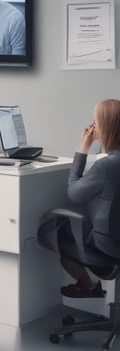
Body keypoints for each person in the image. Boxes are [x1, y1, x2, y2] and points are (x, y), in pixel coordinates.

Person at [38, 99, 120, 298]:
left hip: (108, 245)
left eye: (95, 121)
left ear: (106, 127)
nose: (92, 125)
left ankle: (86, 283)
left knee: (49, 232)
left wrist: (83, 147)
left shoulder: (105, 166)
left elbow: (73, 193)